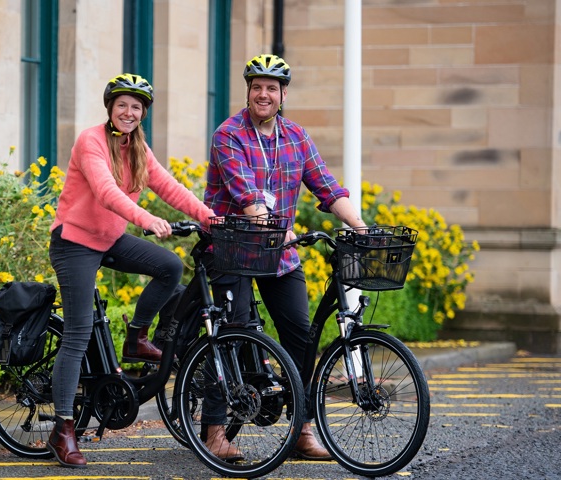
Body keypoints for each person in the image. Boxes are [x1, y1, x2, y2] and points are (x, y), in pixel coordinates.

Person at [46, 73, 215, 468]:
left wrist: (212, 219)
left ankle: (136, 337)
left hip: (109, 239)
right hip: (75, 242)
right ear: (110, 108)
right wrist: (146, 217)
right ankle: (63, 428)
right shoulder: (91, 141)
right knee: (78, 332)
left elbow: (170, 187)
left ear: (143, 115)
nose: (129, 112)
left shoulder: (136, 147)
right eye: (122, 104)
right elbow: (105, 191)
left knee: (170, 266)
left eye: (136, 107)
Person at [203, 54, 367, 461]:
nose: (264, 94)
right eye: (257, 86)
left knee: (301, 335)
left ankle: (302, 429)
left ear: (283, 94)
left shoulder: (296, 136)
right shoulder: (229, 135)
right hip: (233, 249)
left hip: (281, 256)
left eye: (271, 88)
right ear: (248, 91)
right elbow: (244, 197)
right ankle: (214, 432)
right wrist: (275, 227)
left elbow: (327, 187)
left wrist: (361, 227)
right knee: (232, 333)